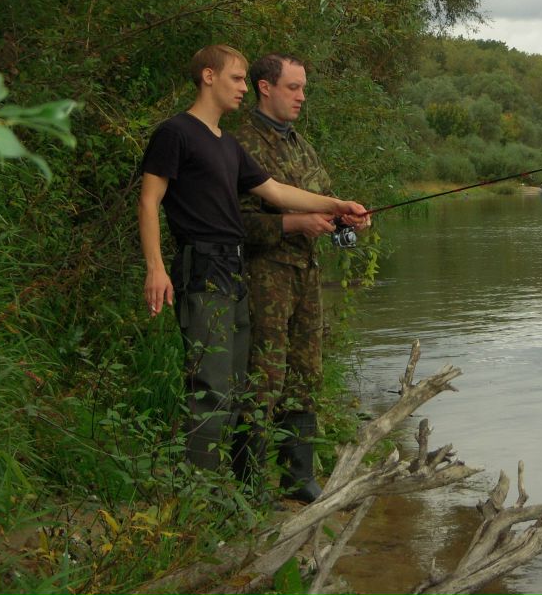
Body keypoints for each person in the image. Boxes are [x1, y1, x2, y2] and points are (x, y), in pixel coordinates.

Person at [138, 44, 369, 477]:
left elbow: (279, 193)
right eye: (237, 78)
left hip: (234, 269)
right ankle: (198, 492)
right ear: (209, 76)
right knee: (210, 386)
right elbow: (149, 201)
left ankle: (235, 486)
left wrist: (338, 204)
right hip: (202, 268)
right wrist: (156, 267)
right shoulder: (176, 132)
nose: (244, 88)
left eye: (245, 79)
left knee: (239, 387)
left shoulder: (227, 144)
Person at [233, 53, 348, 503]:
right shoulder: (240, 143)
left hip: (306, 274)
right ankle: (248, 485)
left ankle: (298, 477)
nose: (302, 96)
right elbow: (236, 225)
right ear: (265, 87)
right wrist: (294, 224)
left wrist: (344, 218)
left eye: (303, 88)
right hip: (264, 275)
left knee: (305, 374)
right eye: (293, 88)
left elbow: (320, 201)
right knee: (263, 376)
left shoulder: (301, 144)